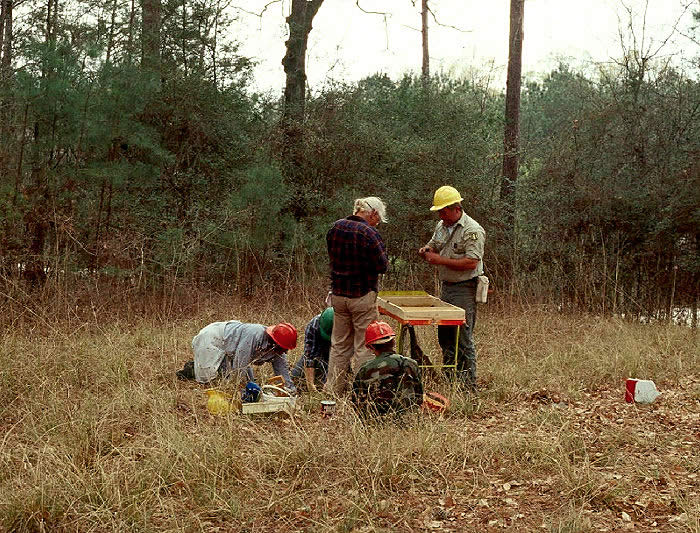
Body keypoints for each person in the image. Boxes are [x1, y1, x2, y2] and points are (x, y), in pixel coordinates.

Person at [418, 185, 485, 392]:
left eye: (444, 211)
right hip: (447, 287)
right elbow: (434, 244)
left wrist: (440, 260)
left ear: (456, 208)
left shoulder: (472, 231)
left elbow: (472, 262)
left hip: (465, 288)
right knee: (445, 335)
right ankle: (451, 381)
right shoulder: (442, 225)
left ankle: (468, 387)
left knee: (462, 337)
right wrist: (427, 250)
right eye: (439, 211)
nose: (441, 215)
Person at [324, 197, 389, 395]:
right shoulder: (369, 233)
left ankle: (333, 391)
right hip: (361, 295)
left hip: (338, 295)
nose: (378, 222)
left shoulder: (335, 228)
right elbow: (383, 266)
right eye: (378, 219)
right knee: (364, 346)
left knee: (339, 346)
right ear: (373, 213)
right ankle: (363, 392)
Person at [177, 320, 298, 393]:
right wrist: (241, 388)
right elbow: (241, 364)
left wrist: (290, 390)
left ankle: (200, 365)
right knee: (207, 379)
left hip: (231, 348)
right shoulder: (254, 335)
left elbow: (282, 371)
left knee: (224, 375)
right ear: (275, 342)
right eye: (284, 348)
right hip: (214, 337)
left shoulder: (278, 349)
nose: (285, 352)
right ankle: (191, 370)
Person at [351, 320, 424, 417]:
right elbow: (419, 398)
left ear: (370, 346)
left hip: (376, 422)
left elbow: (357, 403)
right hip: (409, 421)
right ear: (393, 342)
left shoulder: (365, 369)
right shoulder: (411, 364)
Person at [290, 307, 334, 392]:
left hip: (334, 356)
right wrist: (310, 384)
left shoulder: (345, 327)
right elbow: (309, 356)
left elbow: (341, 358)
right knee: (295, 377)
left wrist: (329, 381)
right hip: (317, 351)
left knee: (327, 387)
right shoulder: (313, 325)